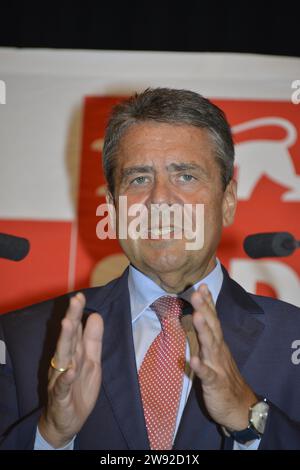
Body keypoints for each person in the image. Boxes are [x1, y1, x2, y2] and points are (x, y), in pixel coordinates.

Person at [0, 88, 300, 450]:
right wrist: (50, 435)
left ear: (228, 201)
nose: (159, 199)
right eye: (139, 178)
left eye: (186, 176)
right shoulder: (23, 339)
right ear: (112, 208)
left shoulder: (291, 338)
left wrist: (249, 418)